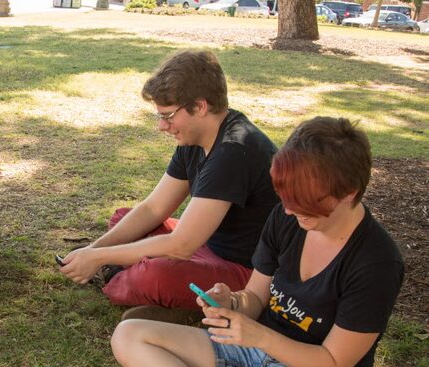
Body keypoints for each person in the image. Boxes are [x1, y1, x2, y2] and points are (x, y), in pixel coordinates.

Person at [85, 117, 404, 367]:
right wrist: (230, 302)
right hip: (248, 353)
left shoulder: (376, 262)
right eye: (286, 199)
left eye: (306, 204)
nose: (291, 213)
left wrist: (258, 335)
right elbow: (254, 298)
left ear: (349, 192)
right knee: (129, 334)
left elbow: (333, 364)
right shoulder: (287, 219)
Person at [59, 50, 279, 324]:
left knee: (155, 276)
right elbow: (154, 208)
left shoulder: (234, 150)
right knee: (124, 218)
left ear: (200, 107)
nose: (162, 126)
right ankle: (132, 278)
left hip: (246, 273)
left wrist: (99, 257)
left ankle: (134, 284)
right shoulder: (195, 138)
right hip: (207, 244)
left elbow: (181, 246)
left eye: (168, 115)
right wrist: (93, 250)